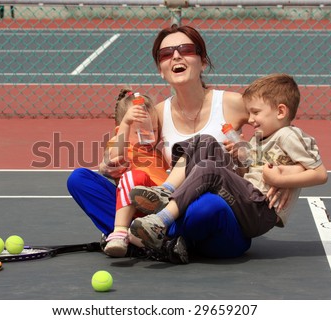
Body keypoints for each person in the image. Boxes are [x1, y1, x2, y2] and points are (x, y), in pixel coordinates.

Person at [67, 24, 281, 261]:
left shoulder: (232, 103)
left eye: (186, 49)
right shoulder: (158, 113)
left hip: (222, 214)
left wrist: (281, 177)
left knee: (207, 206)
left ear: (203, 62)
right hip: (171, 209)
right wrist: (107, 167)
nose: (176, 56)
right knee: (81, 180)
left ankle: (146, 240)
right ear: (161, 69)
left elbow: (279, 127)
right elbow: (129, 150)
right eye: (166, 54)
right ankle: (155, 239)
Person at [128, 73, 328, 250]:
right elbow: (247, 176)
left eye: (255, 112)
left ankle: (160, 221)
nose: (250, 119)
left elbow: (320, 174)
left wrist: (280, 180)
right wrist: (241, 159)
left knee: (211, 170)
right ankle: (166, 191)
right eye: (249, 113)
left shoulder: (289, 135)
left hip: (261, 210)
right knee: (205, 141)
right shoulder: (259, 138)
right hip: (247, 199)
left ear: (281, 111)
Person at [102, 88, 169, 257]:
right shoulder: (123, 148)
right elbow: (115, 156)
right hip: (133, 204)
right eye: (139, 132)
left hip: (159, 205)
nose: (147, 138)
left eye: (152, 131)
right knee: (134, 175)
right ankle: (120, 232)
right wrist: (125, 124)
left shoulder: (158, 154)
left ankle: (141, 240)